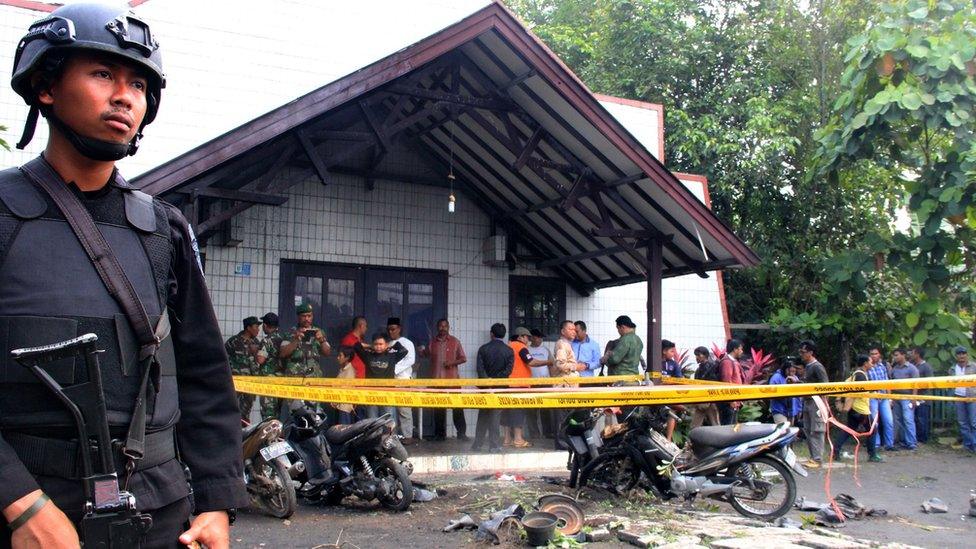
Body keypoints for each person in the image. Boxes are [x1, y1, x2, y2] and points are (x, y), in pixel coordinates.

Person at [0, 4, 247, 547]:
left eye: (138, 83)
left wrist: (216, 501)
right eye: (102, 74)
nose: (124, 96)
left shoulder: (163, 230)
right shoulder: (3, 213)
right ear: (45, 86)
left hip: (158, 509)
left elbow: (205, 370)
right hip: (31, 513)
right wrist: (19, 502)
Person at [832, 354, 882, 463]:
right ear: (865, 363)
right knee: (872, 430)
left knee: (848, 430)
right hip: (861, 409)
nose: (872, 364)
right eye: (870, 362)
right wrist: (873, 389)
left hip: (854, 408)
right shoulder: (860, 375)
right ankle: (872, 455)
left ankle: (835, 451)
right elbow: (860, 392)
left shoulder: (857, 374)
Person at [472, 323, 514, 452]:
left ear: (491, 334)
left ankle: (477, 444)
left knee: (483, 415)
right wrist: (496, 380)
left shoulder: (483, 349)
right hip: (500, 388)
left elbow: (480, 368)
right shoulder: (509, 350)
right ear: (504, 334)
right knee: (495, 415)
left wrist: (487, 381)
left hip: (485, 387)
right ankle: (494, 445)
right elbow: (508, 371)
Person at [425, 318, 468, 440]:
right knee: (439, 408)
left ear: (448, 328)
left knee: (457, 407)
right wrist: (420, 350)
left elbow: (463, 358)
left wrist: (452, 362)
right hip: (437, 381)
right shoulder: (432, 342)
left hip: (452, 381)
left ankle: (461, 433)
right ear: (437, 327)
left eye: (445, 326)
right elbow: (425, 354)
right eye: (440, 326)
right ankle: (440, 434)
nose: (443, 328)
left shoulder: (455, 342)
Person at [355, 333, 407, 420]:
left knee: (388, 421)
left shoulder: (392, 357)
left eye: (381, 344)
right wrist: (370, 346)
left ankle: (388, 434)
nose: (378, 346)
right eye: (376, 344)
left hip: (387, 394)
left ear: (386, 344)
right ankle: (375, 434)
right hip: (371, 394)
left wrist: (391, 346)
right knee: (372, 421)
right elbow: (356, 346)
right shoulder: (368, 356)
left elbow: (404, 351)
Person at [225, 316, 268, 421]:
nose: (258, 329)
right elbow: (223, 360)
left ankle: (243, 432)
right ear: (248, 328)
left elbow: (260, 361)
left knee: (245, 412)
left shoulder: (257, 343)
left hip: (251, 384)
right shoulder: (233, 342)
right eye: (256, 327)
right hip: (236, 384)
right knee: (230, 408)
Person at [387, 317, 418, 445]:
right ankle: (390, 435)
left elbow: (410, 360)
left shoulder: (407, 343)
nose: (391, 332)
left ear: (399, 329)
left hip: (403, 379)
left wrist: (394, 370)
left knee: (404, 409)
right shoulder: (388, 344)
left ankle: (408, 435)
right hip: (390, 380)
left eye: (393, 329)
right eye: (389, 329)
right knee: (389, 409)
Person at [279, 303, 331, 378]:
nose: (307, 319)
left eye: (309, 316)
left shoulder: (319, 332)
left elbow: (327, 353)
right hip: (295, 376)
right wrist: (295, 340)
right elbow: (282, 353)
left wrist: (322, 340)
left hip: (314, 377)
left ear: (312, 317)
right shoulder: (290, 333)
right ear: (298, 317)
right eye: (304, 316)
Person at [798, 340, 828, 468]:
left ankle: (818, 458)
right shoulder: (808, 366)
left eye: (803, 352)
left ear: (811, 352)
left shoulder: (817, 366)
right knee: (808, 429)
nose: (801, 355)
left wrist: (824, 404)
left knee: (817, 430)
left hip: (817, 402)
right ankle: (813, 457)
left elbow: (825, 386)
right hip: (807, 401)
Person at [503, 327, 534, 448]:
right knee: (518, 412)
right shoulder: (521, 347)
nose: (528, 341)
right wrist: (547, 362)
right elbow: (530, 362)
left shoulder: (508, 346)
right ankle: (518, 439)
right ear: (521, 337)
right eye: (527, 337)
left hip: (507, 384)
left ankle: (506, 439)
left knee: (507, 410)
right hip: (519, 385)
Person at [525, 328, 554, 439]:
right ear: (532, 337)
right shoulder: (527, 350)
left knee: (546, 409)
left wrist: (552, 381)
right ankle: (534, 433)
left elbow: (551, 365)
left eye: (541, 337)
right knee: (531, 410)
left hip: (546, 383)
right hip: (532, 384)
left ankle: (548, 432)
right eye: (538, 337)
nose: (540, 339)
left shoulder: (546, 350)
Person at [889, 348, 919, 450]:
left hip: (908, 397)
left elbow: (916, 384)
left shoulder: (912, 368)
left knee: (908, 419)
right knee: (898, 420)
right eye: (894, 355)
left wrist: (914, 398)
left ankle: (911, 443)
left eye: (896, 355)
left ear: (903, 355)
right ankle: (903, 441)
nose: (895, 357)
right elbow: (890, 383)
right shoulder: (894, 369)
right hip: (896, 397)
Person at [866, 345, 895, 451]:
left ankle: (889, 444)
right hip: (872, 397)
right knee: (874, 422)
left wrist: (890, 397)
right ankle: (876, 444)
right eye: (871, 354)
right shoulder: (867, 368)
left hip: (884, 397)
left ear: (879, 355)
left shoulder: (883, 366)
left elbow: (887, 382)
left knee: (889, 421)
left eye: (876, 353)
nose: (874, 356)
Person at [259, 312, 285, 419]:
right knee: (277, 413)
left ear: (265, 325)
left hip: (268, 382)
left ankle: (269, 435)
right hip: (281, 381)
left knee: (268, 414)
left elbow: (260, 359)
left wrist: (256, 351)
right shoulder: (283, 338)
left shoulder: (266, 340)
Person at [717, 339, 747, 425]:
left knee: (733, 426)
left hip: (734, 400)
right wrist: (731, 400)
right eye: (740, 349)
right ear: (735, 349)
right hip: (729, 402)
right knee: (729, 427)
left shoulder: (733, 361)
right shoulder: (727, 362)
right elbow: (727, 381)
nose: (742, 351)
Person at [952, 346, 976, 452]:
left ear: (967, 354)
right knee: (962, 422)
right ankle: (968, 444)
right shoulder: (953, 369)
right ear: (956, 356)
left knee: (974, 422)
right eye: (959, 354)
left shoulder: (974, 366)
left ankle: (974, 444)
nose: (961, 355)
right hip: (958, 396)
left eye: (963, 353)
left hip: (972, 396)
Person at [689, 347, 720, 428]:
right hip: (704, 398)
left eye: (698, 355)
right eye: (696, 355)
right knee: (713, 422)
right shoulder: (701, 368)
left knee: (714, 422)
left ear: (705, 355)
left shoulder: (711, 367)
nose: (697, 357)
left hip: (708, 398)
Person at [768, 359, 802, 426]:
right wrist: (786, 385)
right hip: (779, 409)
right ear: (785, 369)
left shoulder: (795, 378)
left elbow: (798, 396)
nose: (792, 373)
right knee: (783, 430)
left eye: (794, 371)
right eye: (790, 371)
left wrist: (799, 409)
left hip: (792, 411)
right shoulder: (776, 378)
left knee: (790, 431)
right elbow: (772, 394)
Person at [330, 346, 358, 425]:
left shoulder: (350, 372)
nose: (338, 358)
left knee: (343, 430)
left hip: (345, 407)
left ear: (347, 358)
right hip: (340, 406)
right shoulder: (342, 369)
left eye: (340, 356)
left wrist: (335, 401)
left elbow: (345, 390)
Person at [910, 347, 932, 444]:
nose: (911, 355)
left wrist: (919, 388)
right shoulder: (914, 366)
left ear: (917, 354)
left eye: (912, 353)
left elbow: (930, 382)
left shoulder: (926, 367)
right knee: (916, 418)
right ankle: (917, 438)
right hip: (914, 396)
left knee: (922, 418)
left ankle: (923, 439)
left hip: (923, 397)